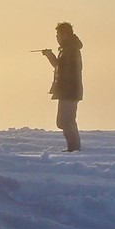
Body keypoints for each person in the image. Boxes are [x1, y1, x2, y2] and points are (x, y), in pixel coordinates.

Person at [41, 21, 83, 152]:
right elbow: (60, 66)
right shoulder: (67, 49)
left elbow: (63, 68)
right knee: (65, 121)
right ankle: (73, 147)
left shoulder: (70, 49)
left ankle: (74, 148)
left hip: (69, 91)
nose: (57, 37)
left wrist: (50, 56)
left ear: (65, 34)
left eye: (58, 34)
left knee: (66, 121)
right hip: (68, 91)